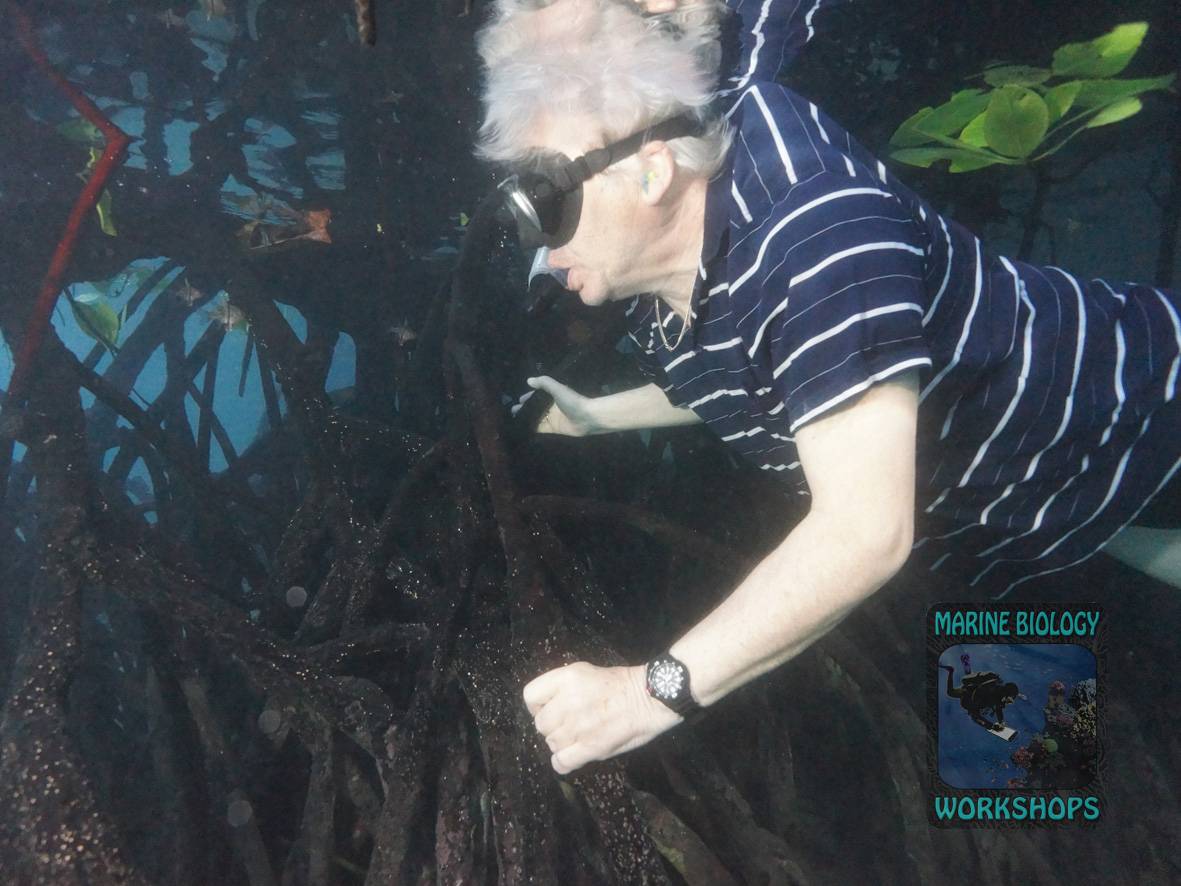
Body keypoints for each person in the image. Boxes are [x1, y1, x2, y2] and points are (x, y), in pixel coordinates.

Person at [473, 0, 1181, 775]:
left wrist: (649, 692)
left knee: (1027, 775)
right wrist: (600, 417)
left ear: (651, 170)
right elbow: (782, 364)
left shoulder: (818, 235)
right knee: (1020, 774)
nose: (532, 247)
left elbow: (862, 533)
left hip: (1146, 431)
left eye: (543, 197)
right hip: (1018, 527)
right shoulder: (654, 265)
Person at [939, 665, 1020, 732]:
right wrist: (991, 726)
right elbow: (975, 716)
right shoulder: (987, 692)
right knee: (950, 693)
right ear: (1005, 694)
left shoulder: (999, 695)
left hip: (977, 693)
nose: (1007, 703)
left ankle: (969, 674)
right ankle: (951, 671)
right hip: (967, 695)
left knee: (973, 686)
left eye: (1010, 702)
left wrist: (1001, 721)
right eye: (1009, 700)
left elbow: (999, 708)